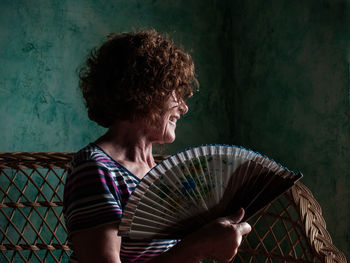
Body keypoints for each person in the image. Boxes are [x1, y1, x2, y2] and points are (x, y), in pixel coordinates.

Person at [63, 29, 251, 263]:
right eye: (175, 93)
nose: (183, 107)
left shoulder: (158, 172)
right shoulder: (95, 170)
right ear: (142, 91)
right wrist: (198, 247)